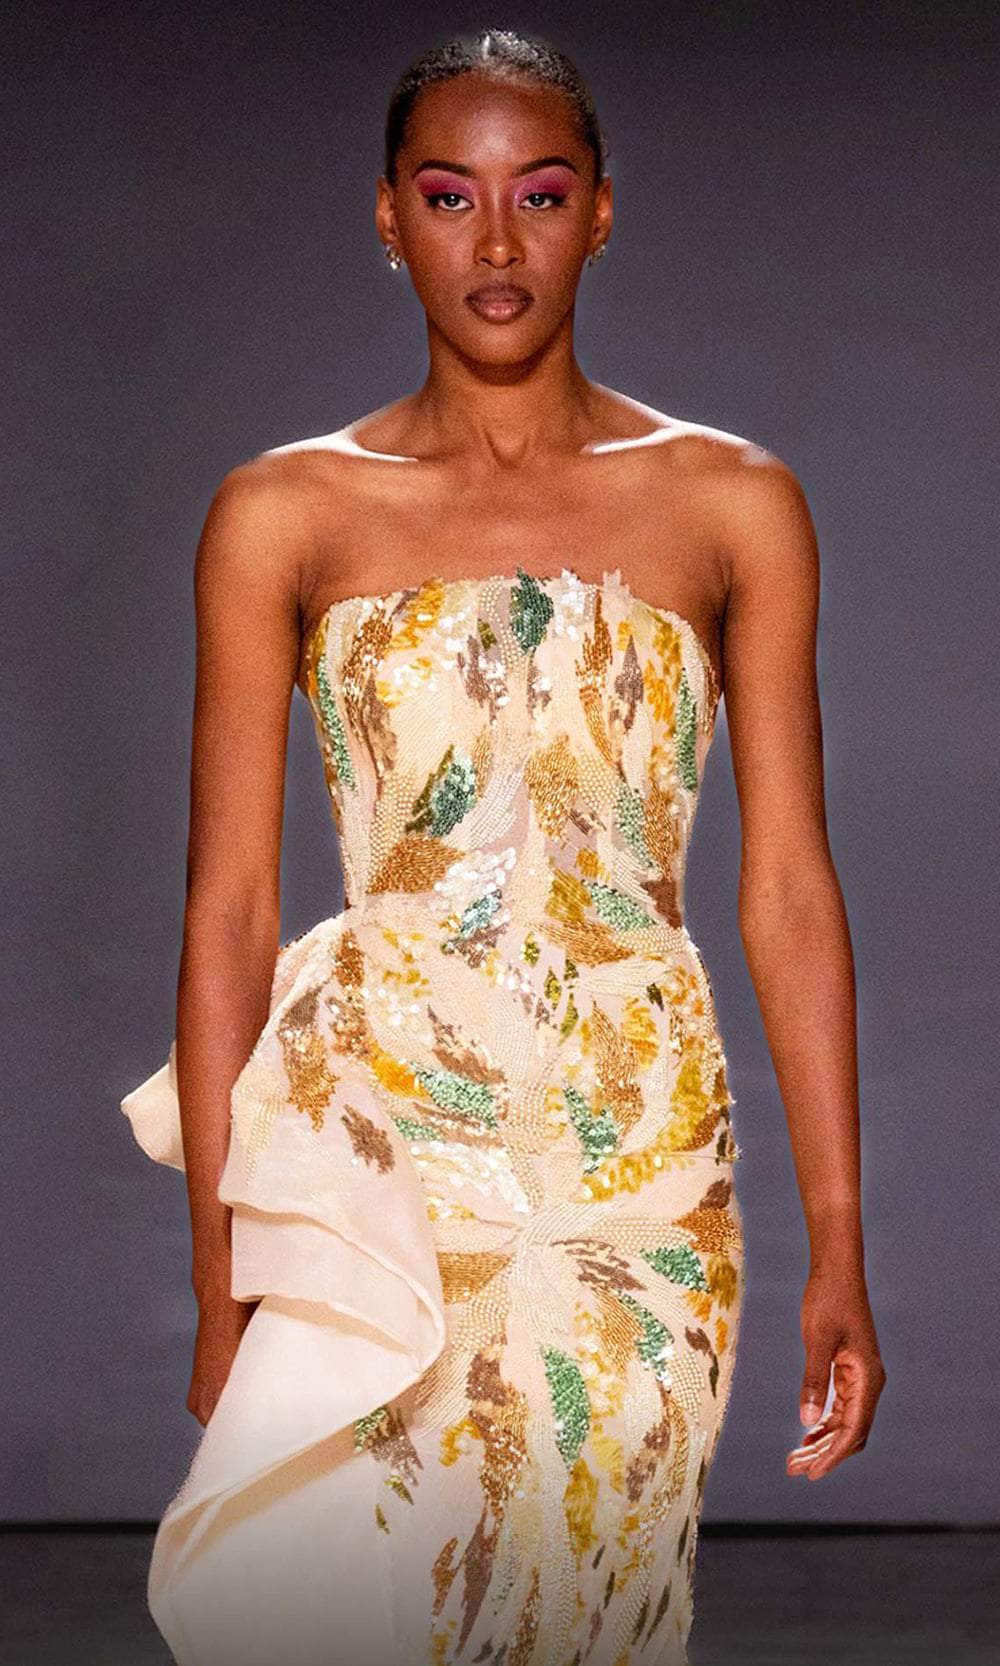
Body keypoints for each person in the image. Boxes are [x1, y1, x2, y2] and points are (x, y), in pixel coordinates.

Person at [121, 26, 886, 1666]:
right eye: (448, 195)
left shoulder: (734, 504)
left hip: (639, 1175)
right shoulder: (281, 515)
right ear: (388, 217)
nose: (494, 242)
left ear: (600, 212)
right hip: (384, 1161)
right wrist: (217, 1284)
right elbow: (229, 909)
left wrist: (840, 1237)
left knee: (602, 1606)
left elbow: (786, 889)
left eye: (537, 194)